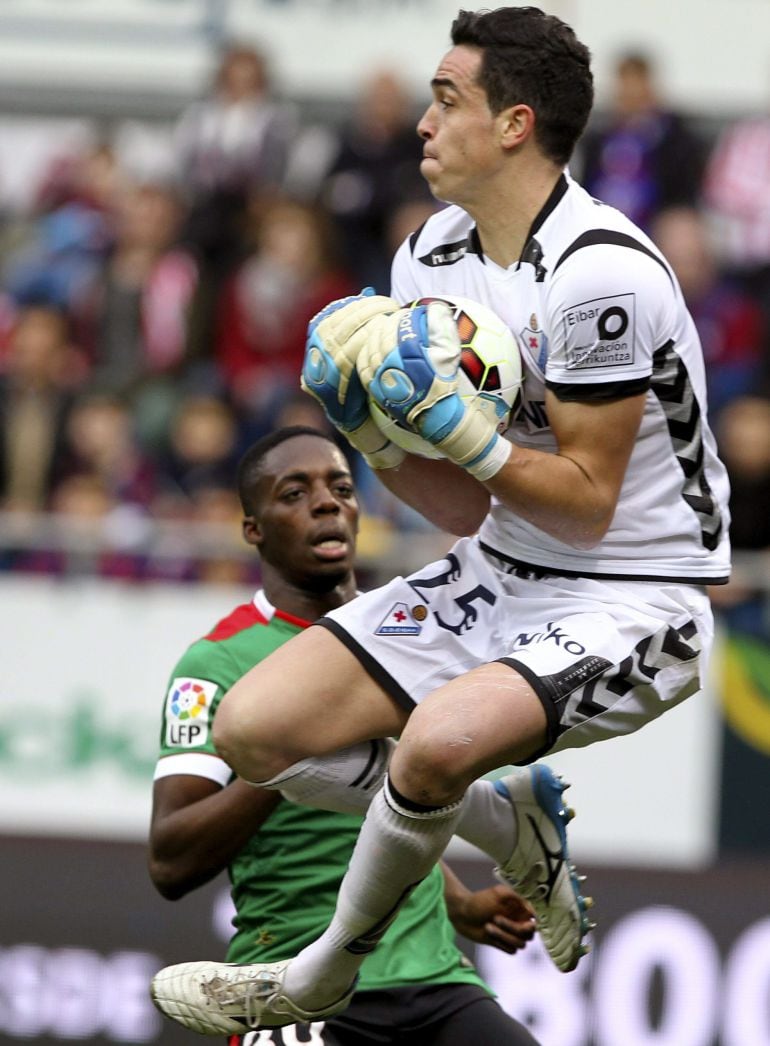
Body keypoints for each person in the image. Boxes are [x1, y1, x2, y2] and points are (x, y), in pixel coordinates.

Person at [151, 6, 730, 1033]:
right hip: (505, 562)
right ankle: (511, 827)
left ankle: (317, 971)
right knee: (254, 731)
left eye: (444, 98)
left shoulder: (601, 270)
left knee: (430, 744)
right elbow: (467, 503)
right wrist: (370, 434)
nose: (421, 119)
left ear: (513, 124)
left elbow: (590, 506)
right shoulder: (432, 253)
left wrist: (455, 431)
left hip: (635, 591)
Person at [149, 425, 541, 1045]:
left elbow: (398, 792)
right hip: (293, 986)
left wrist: (458, 900)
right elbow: (170, 860)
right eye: (294, 493)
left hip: (433, 975)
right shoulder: (218, 663)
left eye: (339, 488)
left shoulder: (409, 635)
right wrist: (283, 756)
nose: (327, 503)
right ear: (253, 528)